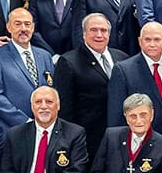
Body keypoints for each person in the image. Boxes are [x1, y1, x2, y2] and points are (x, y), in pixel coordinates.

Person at [53, 13, 129, 159]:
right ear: (84, 34)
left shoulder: (122, 58)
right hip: (87, 138)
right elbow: (65, 108)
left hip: (120, 135)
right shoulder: (68, 62)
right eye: (93, 30)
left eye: (103, 30)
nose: (99, 35)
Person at [107, 21, 162, 142]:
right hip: (140, 142)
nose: (152, 44)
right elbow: (115, 115)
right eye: (147, 39)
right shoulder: (123, 70)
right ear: (140, 41)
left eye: (157, 39)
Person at [0, 8, 55, 127]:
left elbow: (52, 91)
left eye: (27, 24)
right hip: (10, 129)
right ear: (8, 27)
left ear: (33, 27)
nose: (23, 29)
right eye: (18, 24)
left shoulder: (45, 56)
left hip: (43, 128)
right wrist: (24, 121)